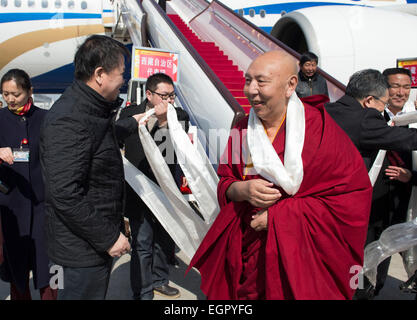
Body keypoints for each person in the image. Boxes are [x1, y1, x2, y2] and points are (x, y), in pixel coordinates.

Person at [188, 51, 373, 300]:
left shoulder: (320, 130)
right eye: (247, 80)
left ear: (290, 85)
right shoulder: (242, 128)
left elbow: (351, 196)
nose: (251, 90)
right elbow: (225, 181)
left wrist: (278, 218)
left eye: (261, 82)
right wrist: (240, 190)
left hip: (299, 259)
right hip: (248, 253)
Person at [39, 35, 142, 300]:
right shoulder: (70, 119)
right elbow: (64, 193)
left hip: (88, 246)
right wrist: (109, 237)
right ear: (99, 74)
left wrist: (135, 122)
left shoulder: (91, 109)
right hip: (78, 256)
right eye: (121, 73)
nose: (124, 80)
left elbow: (98, 140)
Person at [325, 69, 417, 299]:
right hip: (355, 207)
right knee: (355, 268)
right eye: (382, 102)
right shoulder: (366, 118)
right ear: (369, 99)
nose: (400, 92)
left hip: (331, 205)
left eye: (407, 87)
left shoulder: (325, 110)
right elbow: (406, 139)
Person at [119, 73, 187, 300]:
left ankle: (159, 280)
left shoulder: (179, 116)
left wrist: (164, 122)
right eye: (163, 95)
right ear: (149, 94)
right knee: (142, 242)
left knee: (163, 241)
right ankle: (142, 289)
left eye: (171, 95)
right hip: (140, 190)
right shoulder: (130, 114)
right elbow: (117, 138)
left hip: (167, 189)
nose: (168, 100)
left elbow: (170, 151)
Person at [0, 69, 56, 300]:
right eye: (5, 94)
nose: (11, 99)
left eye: (16, 94)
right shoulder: (0, 119)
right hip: (11, 206)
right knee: (16, 268)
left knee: (50, 268)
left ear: (30, 91)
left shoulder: (45, 119)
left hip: (43, 206)